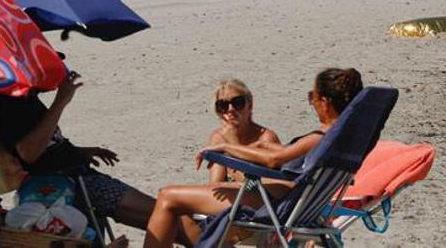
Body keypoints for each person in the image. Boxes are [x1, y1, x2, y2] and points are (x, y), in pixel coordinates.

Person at [143, 69, 365, 248]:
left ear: (324, 102)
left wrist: (226, 147)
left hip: (274, 201)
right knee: (182, 205)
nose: (312, 103)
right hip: (293, 200)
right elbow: (278, 154)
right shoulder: (343, 138)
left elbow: (274, 160)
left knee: (167, 196)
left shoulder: (319, 138)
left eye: (312, 98)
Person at [0, 72, 172, 239]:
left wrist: (81, 152)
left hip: (77, 178)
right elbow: (28, 153)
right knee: (165, 215)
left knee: (165, 220)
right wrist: (61, 101)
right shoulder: (9, 105)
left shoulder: (26, 99)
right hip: (69, 184)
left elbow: (48, 146)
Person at [205, 79, 280, 184]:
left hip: (260, 197)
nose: (230, 109)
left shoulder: (266, 138)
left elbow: (255, 186)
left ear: (250, 105)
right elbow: (214, 186)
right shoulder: (219, 137)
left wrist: (232, 143)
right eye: (223, 105)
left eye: (237, 103)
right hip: (231, 196)